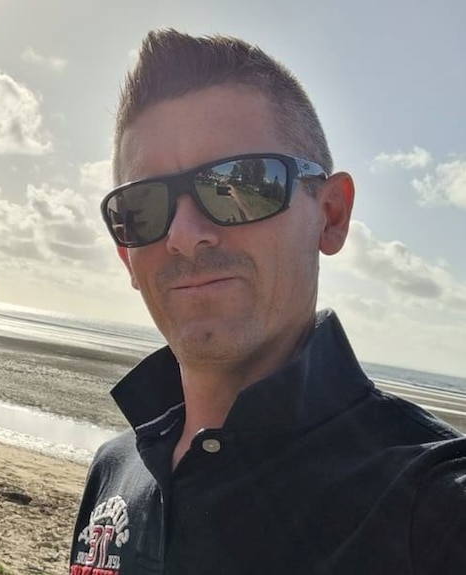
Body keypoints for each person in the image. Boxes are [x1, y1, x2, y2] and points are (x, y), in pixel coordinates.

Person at [69, 30, 466, 574]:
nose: (184, 236)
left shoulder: (431, 501)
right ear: (125, 256)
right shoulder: (116, 468)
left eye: (238, 183)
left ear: (330, 214)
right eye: (141, 207)